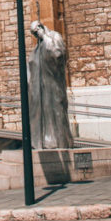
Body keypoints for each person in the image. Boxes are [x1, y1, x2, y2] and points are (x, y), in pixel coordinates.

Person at [28, 20, 72, 149]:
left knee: (57, 111)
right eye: (34, 34)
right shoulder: (38, 46)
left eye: (36, 32)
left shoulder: (54, 37)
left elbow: (57, 53)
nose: (36, 36)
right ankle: (46, 140)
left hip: (54, 84)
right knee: (44, 113)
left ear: (41, 27)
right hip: (41, 88)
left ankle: (60, 141)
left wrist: (45, 37)